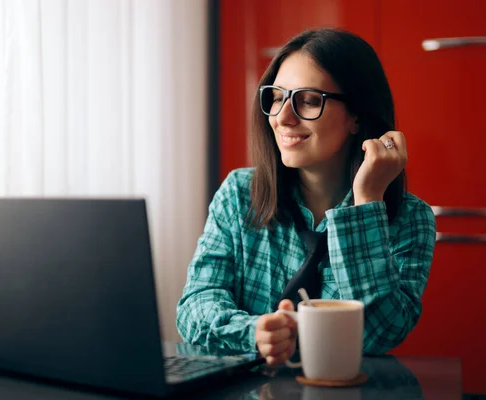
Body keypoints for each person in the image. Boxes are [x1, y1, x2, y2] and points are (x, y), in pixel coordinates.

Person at [176, 28, 436, 365]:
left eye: (309, 100)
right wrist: (253, 332)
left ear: (356, 115)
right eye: (277, 96)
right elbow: (195, 304)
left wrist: (367, 201)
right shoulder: (240, 193)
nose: (283, 117)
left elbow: (376, 335)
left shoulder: (409, 218)